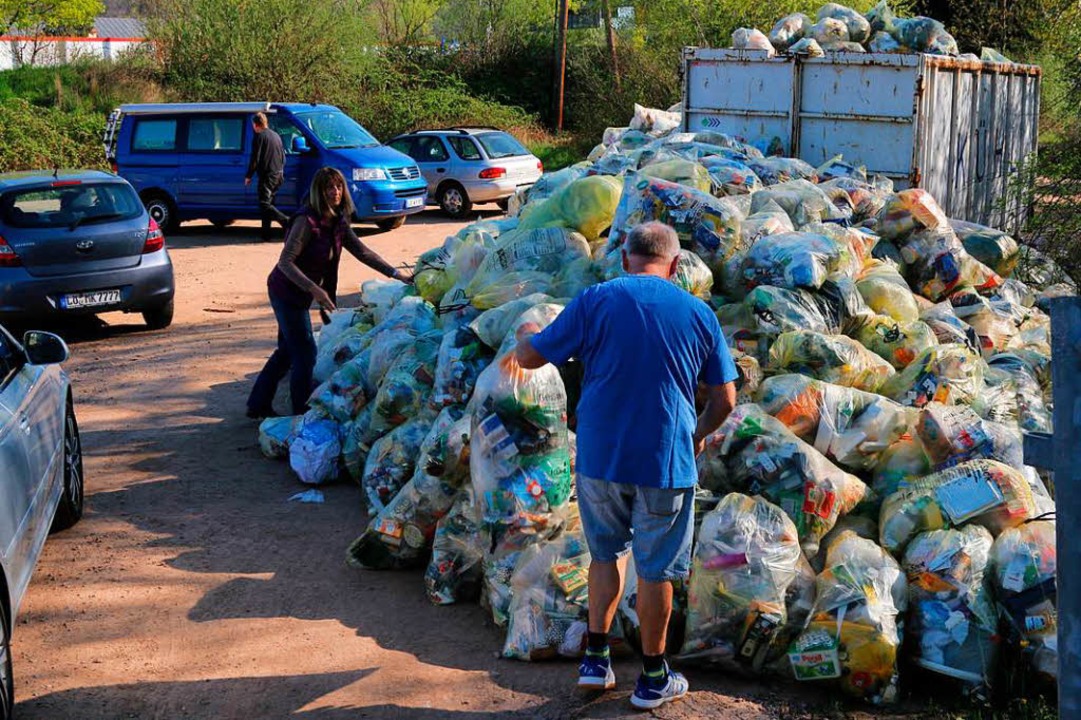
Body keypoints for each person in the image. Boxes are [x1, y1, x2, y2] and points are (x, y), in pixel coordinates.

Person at [515, 221, 737, 710]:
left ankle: (595, 660)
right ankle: (654, 678)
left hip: (601, 458)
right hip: (665, 459)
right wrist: (696, 435)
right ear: (676, 266)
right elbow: (725, 399)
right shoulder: (698, 313)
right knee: (656, 572)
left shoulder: (597, 299)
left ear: (624, 258)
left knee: (604, 556)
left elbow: (530, 358)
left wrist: (525, 333)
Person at [247, 167, 412, 419]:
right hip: (285, 292)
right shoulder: (307, 221)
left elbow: (363, 252)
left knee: (287, 351)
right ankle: (301, 415)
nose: (335, 192)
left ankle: (257, 404)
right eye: (328, 188)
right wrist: (315, 289)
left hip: (301, 294)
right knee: (305, 353)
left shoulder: (337, 221)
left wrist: (395, 273)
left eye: (338, 186)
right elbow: (285, 262)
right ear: (318, 192)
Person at [245, 111, 290, 242]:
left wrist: (249, 175)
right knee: (269, 205)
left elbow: (255, 159)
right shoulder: (276, 136)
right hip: (278, 175)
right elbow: (283, 157)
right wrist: (280, 171)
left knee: (264, 204)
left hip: (267, 176)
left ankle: (286, 221)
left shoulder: (259, 137)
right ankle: (266, 235)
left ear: (255, 124)